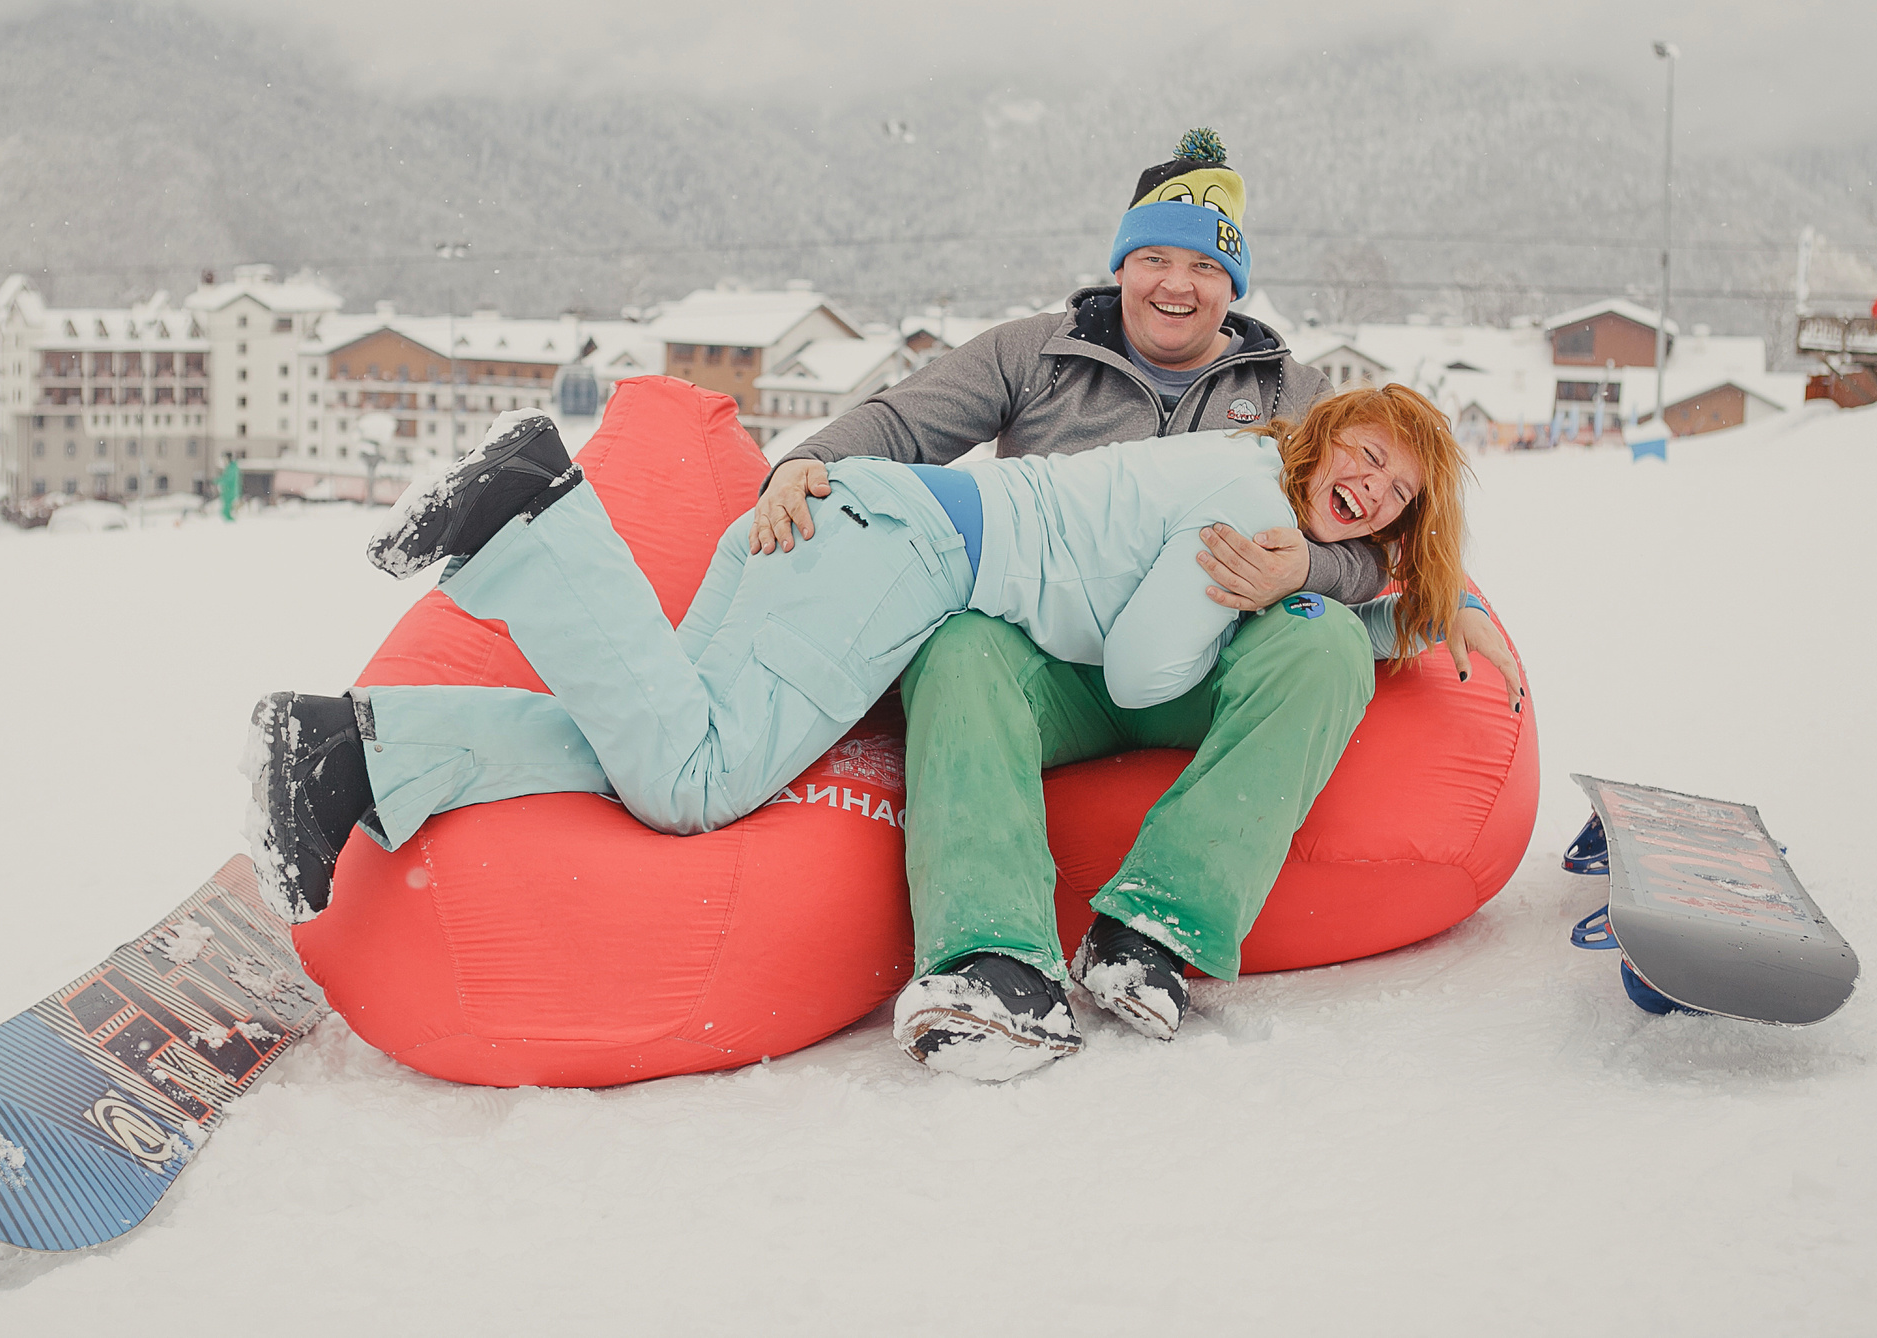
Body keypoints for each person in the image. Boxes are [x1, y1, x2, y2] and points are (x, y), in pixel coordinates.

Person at [247, 379, 1509, 1074]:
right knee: (694, 779)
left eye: (1393, 489)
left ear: (1404, 518)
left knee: (663, 719)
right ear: (1322, 434)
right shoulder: (1244, 501)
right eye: (1362, 451)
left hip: (869, 525)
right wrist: (1253, 586)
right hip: (900, 553)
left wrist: (1330, 582)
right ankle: (536, 519)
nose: (1367, 483)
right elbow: (1135, 675)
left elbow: (1386, 606)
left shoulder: (1249, 473)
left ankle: (357, 748)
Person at [747, 131, 1518, 1075]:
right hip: (1051, 653)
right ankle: (994, 960)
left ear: (1233, 286)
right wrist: (802, 467)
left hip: (1211, 661)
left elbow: (1385, 519)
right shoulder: (1034, 354)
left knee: (1325, 647)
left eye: (1205, 266)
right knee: (957, 645)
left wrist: (1336, 582)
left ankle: (1153, 926)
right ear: (1121, 265)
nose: (1176, 285)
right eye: (1155, 259)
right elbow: (903, 424)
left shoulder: (1293, 391)